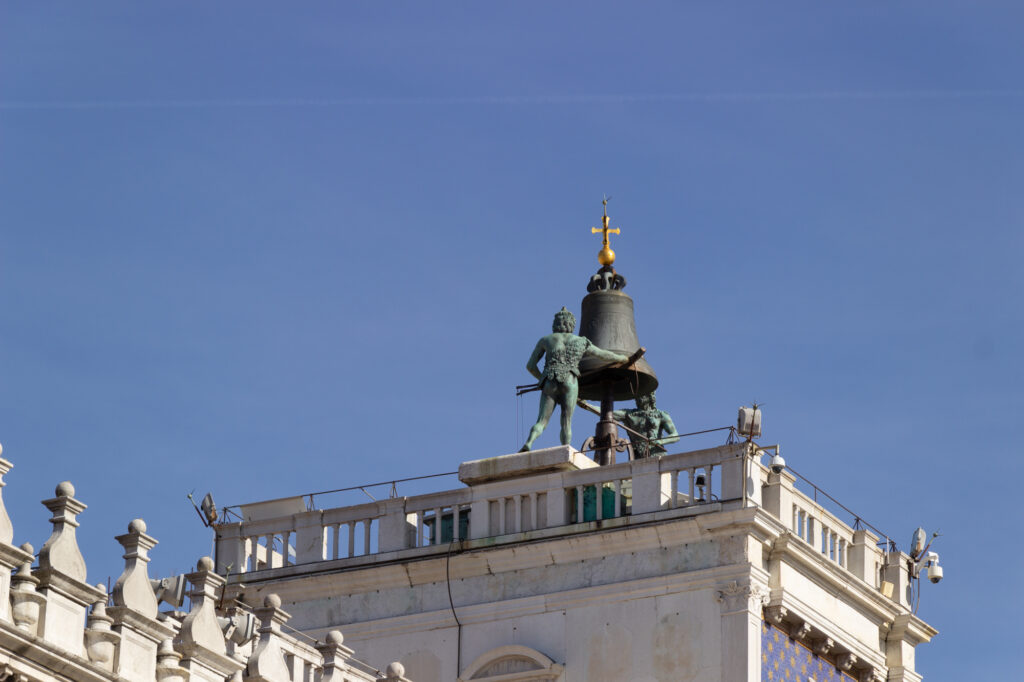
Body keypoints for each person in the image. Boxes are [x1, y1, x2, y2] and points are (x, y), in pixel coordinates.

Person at [519, 307, 629, 451]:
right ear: (571, 325)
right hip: (570, 381)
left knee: (541, 421)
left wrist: (542, 380)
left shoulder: (546, 340)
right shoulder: (581, 341)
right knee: (566, 421)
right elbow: (602, 354)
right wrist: (622, 358)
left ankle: (530, 442)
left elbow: (530, 366)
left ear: (556, 324)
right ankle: (565, 448)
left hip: (550, 380)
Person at [612, 392, 679, 458]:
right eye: (636, 397)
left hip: (657, 455)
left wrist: (659, 441)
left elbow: (675, 436)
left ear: (649, 397)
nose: (637, 399)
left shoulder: (661, 415)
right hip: (637, 457)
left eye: (641, 396)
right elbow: (607, 414)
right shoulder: (629, 414)